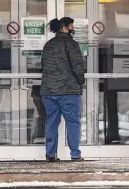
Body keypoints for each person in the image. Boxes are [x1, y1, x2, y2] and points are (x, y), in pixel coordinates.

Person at [40, 17, 86, 162]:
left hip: (48, 90)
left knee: (51, 122)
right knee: (72, 122)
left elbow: (43, 65)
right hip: (68, 91)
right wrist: (81, 82)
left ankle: (50, 154)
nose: (73, 29)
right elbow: (78, 66)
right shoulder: (71, 44)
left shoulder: (48, 45)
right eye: (71, 26)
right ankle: (75, 154)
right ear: (64, 28)